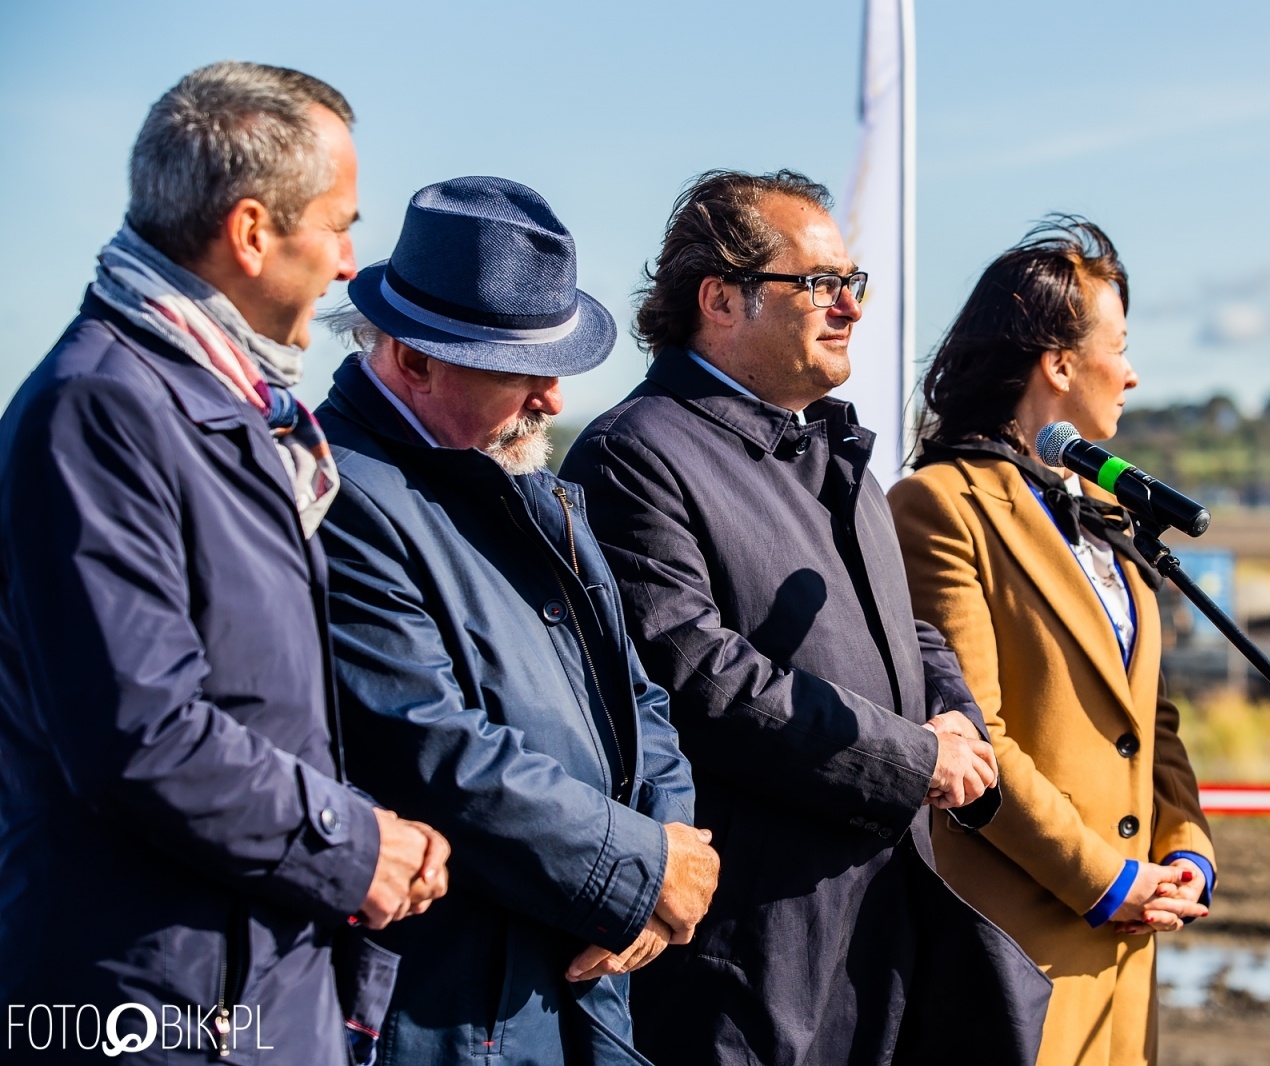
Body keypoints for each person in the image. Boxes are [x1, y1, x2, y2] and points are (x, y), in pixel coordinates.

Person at [0, 62, 449, 1064]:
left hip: (243, 989)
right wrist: (356, 843)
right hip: (157, 1008)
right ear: (251, 232)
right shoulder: (104, 405)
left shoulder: (224, 411)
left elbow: (260, 712)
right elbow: (142, 734)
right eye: (339, 226)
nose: (347, 263)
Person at [561, 169, 1052, 1066]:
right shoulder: (636, 453)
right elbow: (697, 676)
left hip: (887, 931)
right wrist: (912, 758)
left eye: (852, 283)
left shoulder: (833, 450)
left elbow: (910, 629)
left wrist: (958, 725)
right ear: (720, 299)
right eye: (820, 284)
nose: (850, 307)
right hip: (753, 954)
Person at [314, 176, 717, 1066]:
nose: (550, 400)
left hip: (568, 986)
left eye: (556, 366)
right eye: (518, 368)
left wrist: (667, 857)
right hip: (455, 1011)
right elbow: (433, 749)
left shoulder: (533, 488)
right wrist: (646, 872)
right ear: (412, 361)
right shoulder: (340, 497)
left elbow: (638, 699)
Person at [887, 218, 1214, 1065]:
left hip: (1130, 942)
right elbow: (974, 731)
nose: (1134, 373)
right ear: (1059, 364)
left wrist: (1186, 850)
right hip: (1020, 945)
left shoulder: (1107, 514)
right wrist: (1104, 879)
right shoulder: (939, 504)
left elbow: (1153, 717)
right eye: (1122, 345)